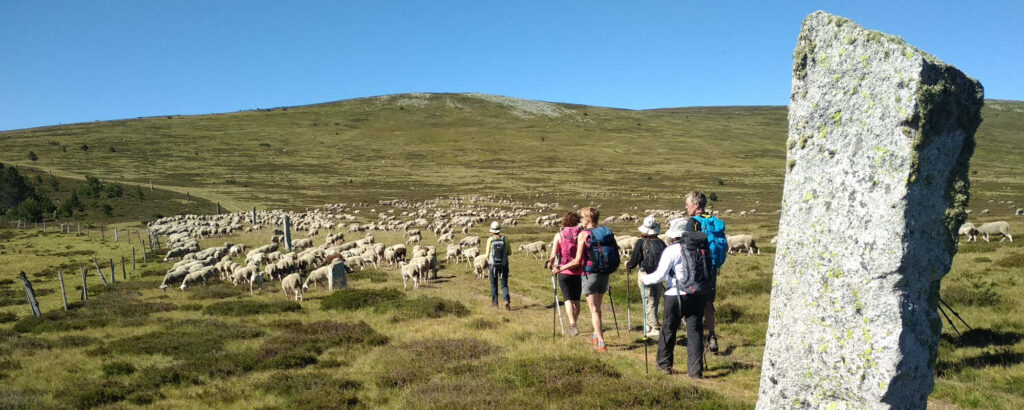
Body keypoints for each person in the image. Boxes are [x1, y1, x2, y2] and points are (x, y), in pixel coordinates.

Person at [641, 217, 708, 377]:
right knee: (695, 331)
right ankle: (695, 371)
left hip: (675, 295)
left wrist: (644, 278)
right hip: (697, 294)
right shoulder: (700, 248)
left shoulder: (672, 250)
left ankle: (664, 365)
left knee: (669, 329)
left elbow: (659, 276)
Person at [555, 207, 608, 352]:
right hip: (604, 274)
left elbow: (577, 261)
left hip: (590, 274)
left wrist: (560, 268)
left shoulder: (583, 234)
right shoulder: (603, 232)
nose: (581, 220)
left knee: (594, 310)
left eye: (582, 218)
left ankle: (601, 342)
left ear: (587, 219)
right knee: (598, 307)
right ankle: (595, 335)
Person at [684, 191, 720, 353]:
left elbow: (687, 248)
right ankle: (712, 336)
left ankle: (697, 339)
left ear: (696, 205)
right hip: (712, 268)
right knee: (708, 302)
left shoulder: (692, 223)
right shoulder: (712, 221)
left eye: (688, 204)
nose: (686, 207)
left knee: (693, 303)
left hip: (696, 270)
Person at [627, 216, 666, 338]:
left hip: (645, 274)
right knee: (656, 300)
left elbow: (634, 261)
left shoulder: (641, 242)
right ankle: (648, 325)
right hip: (659, 275)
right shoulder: (661, 243)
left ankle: (654, 328)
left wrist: (628, 265)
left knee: (648, 301)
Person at [547, 212, 583, 335]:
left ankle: (572, 323)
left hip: (563, 271)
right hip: (578, 270)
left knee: (568, 299)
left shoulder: (559, 235)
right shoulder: (581, 234)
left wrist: (550, 264)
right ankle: (574, 323)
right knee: (577, 300)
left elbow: (553, 255)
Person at [484, 221, 511, 310]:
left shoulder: (490, 240)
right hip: (504, 264)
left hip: (493, 265)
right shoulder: (505, 239)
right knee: (504, 284)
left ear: (492, 231)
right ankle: (506, 301)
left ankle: (495, 304)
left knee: (494, 285)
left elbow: (487, 254)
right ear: (500, 230)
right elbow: (509, 252)